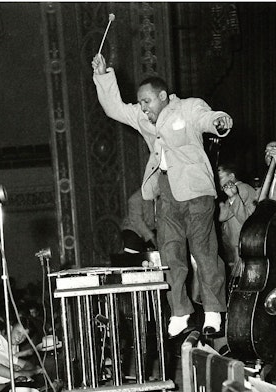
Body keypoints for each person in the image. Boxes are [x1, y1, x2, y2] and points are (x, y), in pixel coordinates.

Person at [92, 53, 233, 337]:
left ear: (164, 96)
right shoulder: (145, 119)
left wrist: (219, 121)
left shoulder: (188, 108)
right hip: (166, 191)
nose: (143, 108)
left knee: (204, 253)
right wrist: (104, 75)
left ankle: (213, 312)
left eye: (147, 101)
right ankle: (180, 312)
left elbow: (208, 119)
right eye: (140, 103)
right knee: (170, 254)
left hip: (196, 192)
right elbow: (115, 108)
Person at [216, 162, 257, 271]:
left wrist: (217, 201)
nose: (217, 181)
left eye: (220, 177)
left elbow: (222, 215)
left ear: (231, 176)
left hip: (241, 243)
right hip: (238, 242)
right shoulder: (241, 189)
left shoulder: (241, 189)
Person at [120, 189, 157, 254]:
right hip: (135, 230)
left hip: (153, 230)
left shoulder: (162, 198)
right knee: (132, 240)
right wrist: (151, 237)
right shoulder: (135, 199)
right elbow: (137, 221)